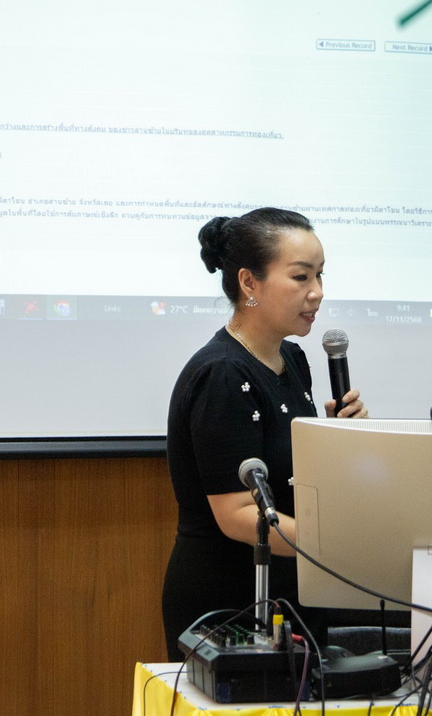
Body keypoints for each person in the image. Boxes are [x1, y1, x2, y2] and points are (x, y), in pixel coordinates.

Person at [161, 207, 368, 661]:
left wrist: (339, 440)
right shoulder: (222, 374)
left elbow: (292, 480)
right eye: (300, 277)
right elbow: (238, 514)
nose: (317, 292)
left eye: (320, 275)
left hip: (290, 595)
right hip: (229, 607)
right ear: (249, 283)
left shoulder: (292, 359)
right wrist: (337, 547)